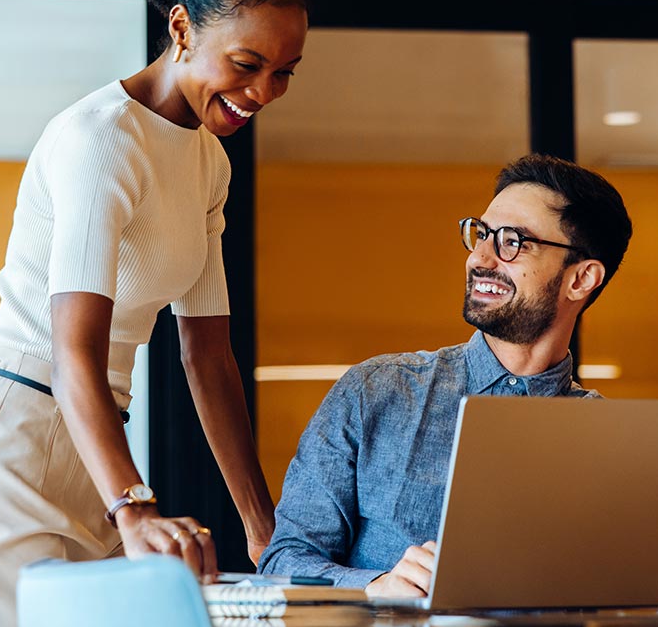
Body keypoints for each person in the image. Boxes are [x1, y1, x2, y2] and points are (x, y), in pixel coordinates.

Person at [0, 0, 308, 627]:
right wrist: (135, 507)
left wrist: (261, 523)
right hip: (0, 451)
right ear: (180, 27)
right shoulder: (103, 139)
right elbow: (73, 354)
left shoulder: (209, 163)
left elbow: (207, 356)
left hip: (92, 453)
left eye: (284, 73)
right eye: (247, 64)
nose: (263, 92)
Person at [257, 154, 633, 598]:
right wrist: (376, 586)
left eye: (512, 242)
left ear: (581, 279)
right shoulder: (375, 392)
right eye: (482, 234)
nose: (480, 257)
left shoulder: (616, 443)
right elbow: (283, 562)